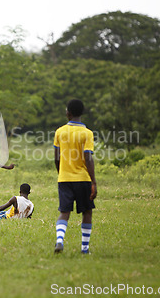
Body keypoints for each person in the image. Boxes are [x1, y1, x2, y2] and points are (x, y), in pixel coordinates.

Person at [53, 99, 97, 254]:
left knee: (64, 211)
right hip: (83, 179)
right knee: (87, 212)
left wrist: (61, 173)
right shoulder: (87, 133)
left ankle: (59, 240)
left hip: (64, 179)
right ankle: (84, 249)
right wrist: (94, 182)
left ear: (68, 113)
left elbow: (57, 158)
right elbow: (88, 158)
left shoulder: (60, 132)